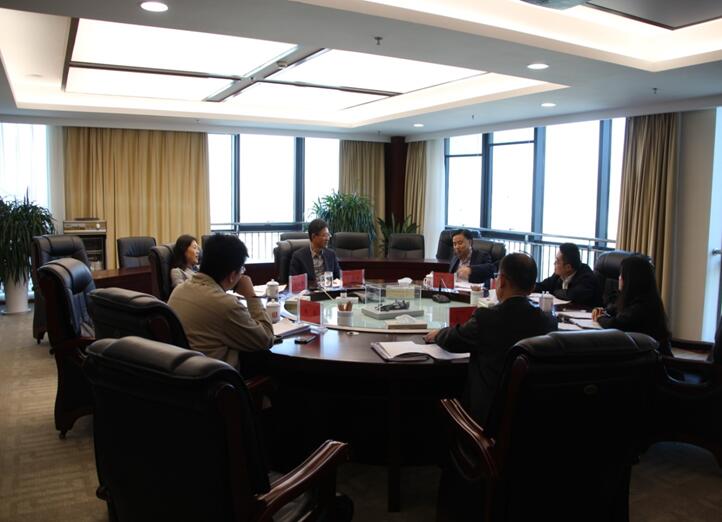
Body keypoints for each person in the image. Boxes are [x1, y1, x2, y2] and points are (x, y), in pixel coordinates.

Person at [425, 253, 557, 426]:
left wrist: (438, 334)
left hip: (485, 421)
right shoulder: (548, 321)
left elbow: (453, 340)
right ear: (532, 288)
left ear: (501, 282)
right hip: (531, 420)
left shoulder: (486, 318)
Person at [168, 234, 274, 370]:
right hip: (217, 377)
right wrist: (251, 296)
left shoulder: (179, 290)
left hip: (184, 372)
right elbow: (266, 339)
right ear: (232, 276)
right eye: (242, 269)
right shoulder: (226, 305)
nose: (242, 273)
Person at [592, 255, 672, 355]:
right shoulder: (638, 297)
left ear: (631, 279)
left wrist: (600, 317)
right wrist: (603, 311)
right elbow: (614, 308)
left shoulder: (642, 305)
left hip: (656, 360)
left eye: (621, 274)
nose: (619, 278)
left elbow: (615, 324)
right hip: (641, 356)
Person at [535, 242, 601, 307]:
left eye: (557, 261)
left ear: (568, 267)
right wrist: (530, 287)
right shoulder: (559, 274)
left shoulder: (587, 277)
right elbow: (543, 286)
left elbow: (571, 295)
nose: (554, 263)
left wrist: (554, 292)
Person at [289, 218, 341, 288]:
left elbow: (338, 278)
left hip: (329, 292)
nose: (327, 238)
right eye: (324, 235)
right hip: (309, 293)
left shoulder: (331, 254)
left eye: (328, 235)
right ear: (313, 236)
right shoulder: (298, 257)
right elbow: (294, 282)